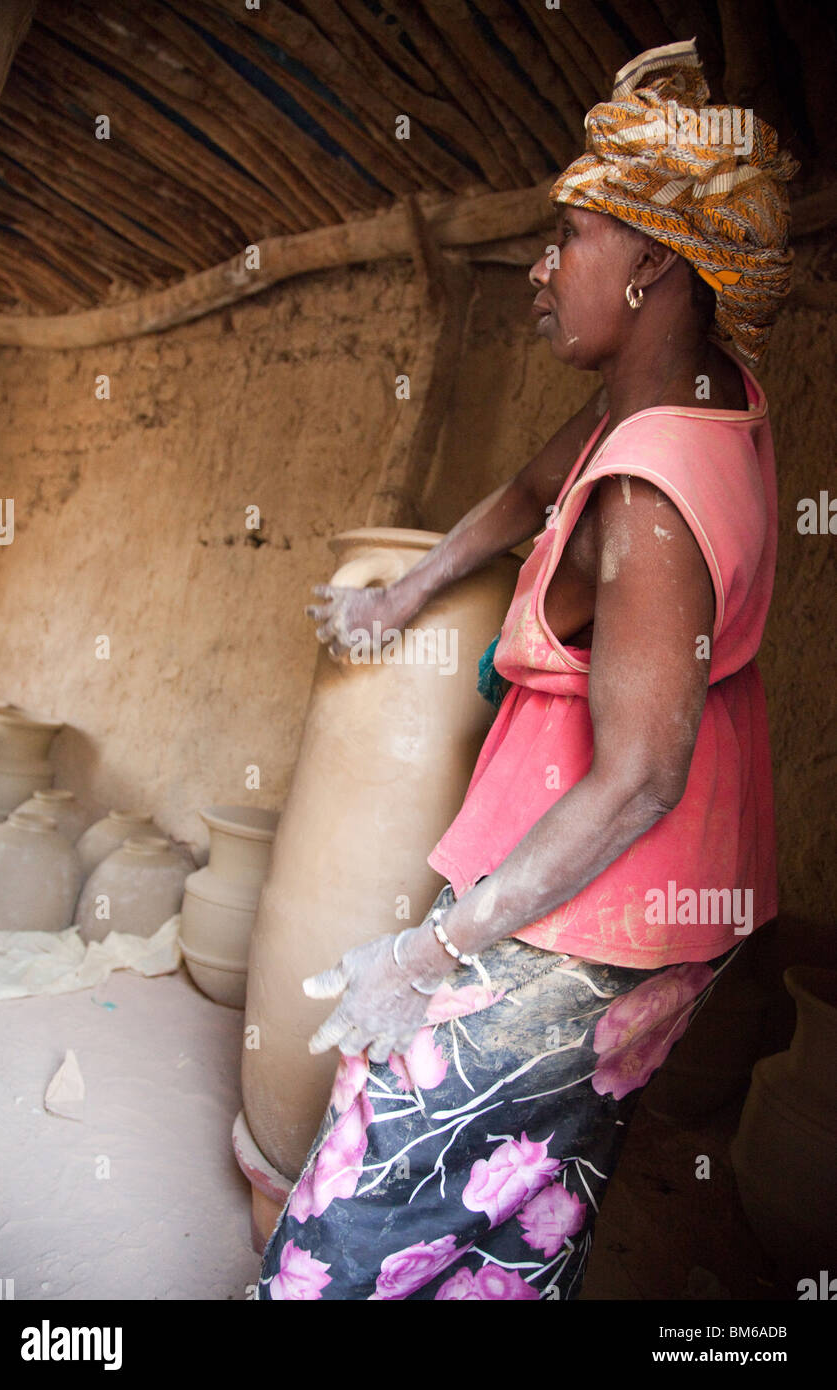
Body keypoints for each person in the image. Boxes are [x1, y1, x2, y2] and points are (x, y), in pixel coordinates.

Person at [256, 40, 798, 1301]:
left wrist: (431, 949)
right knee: (524, 1202)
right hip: (674, 908)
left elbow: (638, 776)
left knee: (363, 1194)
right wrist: (404, 589)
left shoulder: (648, 493)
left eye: (567, 241)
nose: (539, 274)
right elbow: (523, 486)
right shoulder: (695, 397)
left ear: (654, 260)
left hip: (589, 912)